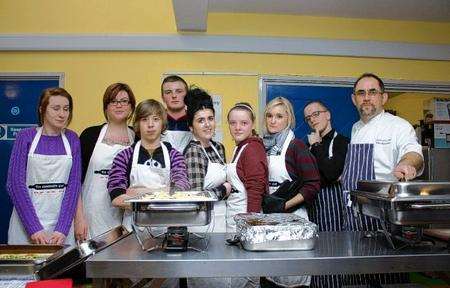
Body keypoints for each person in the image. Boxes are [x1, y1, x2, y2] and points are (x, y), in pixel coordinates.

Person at [341, 73, 424, 285]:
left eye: (372, 92)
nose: (366, 97)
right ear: (354, 99)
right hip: (354, 216)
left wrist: (407, 163)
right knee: (356, 275)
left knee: (387, 276)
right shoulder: (356, 128)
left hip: (383, 220)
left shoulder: (398, 126)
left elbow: (413, 152)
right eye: (361, 93)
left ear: (384, 97)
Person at [7, 87, 81, 246]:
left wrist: (62, 229)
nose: (62, 114)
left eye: (66, 109)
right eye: (56, 108)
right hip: (26, 225)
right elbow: (14, 185)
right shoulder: (25, 137)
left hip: (60, 228)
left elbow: (74, 186)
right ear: (42, 109)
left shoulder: (72, 139)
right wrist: (34, 228)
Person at [261, 97, 320, 288]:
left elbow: (312, 185)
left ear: (289, 119)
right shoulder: (265, 147)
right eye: (269, 115)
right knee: (271, 276)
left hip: (293, 221)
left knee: (292, 278)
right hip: (269, 220)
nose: (273, 120)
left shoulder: (296, 147)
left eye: (279, 116)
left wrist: (284, 205)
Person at [107, 99, 190, 232]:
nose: (150, 125)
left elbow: (180, 191)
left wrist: (140, 194)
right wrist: (163, 192)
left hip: (166, 229)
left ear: (162, 123)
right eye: (144, 119)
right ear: (137, 124)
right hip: (133, 230)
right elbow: (116, 197)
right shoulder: (124, 156)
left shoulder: (175, 156)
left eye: (156, 119)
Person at [74, 83, 136, 241]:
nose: (119, 105)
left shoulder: (138, 138)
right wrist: (79, 218)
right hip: (91, 214)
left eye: (124, 101)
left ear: (131, 107)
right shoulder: (90, 135)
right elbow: (75, 181)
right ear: (106, 107)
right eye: (113, 101)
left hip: (124, 214)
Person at [303, 100, 349, 288]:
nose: (312, 120)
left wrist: (315, 146)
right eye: (308, 118)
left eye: (316, 114)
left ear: (328, 114)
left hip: (334, 211)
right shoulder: (308, 145)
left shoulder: (342, 141)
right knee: (316, 254)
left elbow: (331, 173)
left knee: (332, 255)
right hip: (313, 209)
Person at [183, 87, 231, 233]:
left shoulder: (218, 147)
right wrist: (224, 190)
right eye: (200, 121)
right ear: (191, 127)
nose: (207, 124)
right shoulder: (193, 151)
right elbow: (196, 198)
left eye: (210, 119)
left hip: (222, 219)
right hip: (202, 224)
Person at [226, 102, 268, 232]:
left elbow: (256, 189)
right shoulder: (240, 147)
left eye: (244, 123)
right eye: (233, 123)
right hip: (236, 216)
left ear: (252, 124)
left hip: (246, 220)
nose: (237, 127)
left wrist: (251, 225)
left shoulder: (253, 148)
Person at [160, 75, 192, 153]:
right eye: (168, 92)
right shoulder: (156, 121)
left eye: (179, 91)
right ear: (163, 97)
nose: (174, 96)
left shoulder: (195, 120)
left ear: (187, 95)